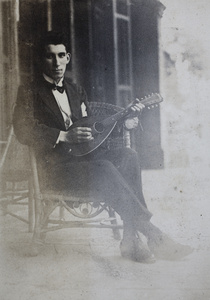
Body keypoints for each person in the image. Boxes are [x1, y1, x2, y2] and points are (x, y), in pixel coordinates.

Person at [13, 31, 192, 263]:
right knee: (104, 168)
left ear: (67, 57)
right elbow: (22, 128)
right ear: (40, 60)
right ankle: (152, 235)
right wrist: (63, 136)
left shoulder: (76, 91)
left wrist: (126, 123)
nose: (56, 62)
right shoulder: (28, 91)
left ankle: (131, 239)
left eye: (60, 55)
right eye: (49, 56)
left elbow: (93, 129)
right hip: (55, 169)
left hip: (85, 161)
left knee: (128, 155)